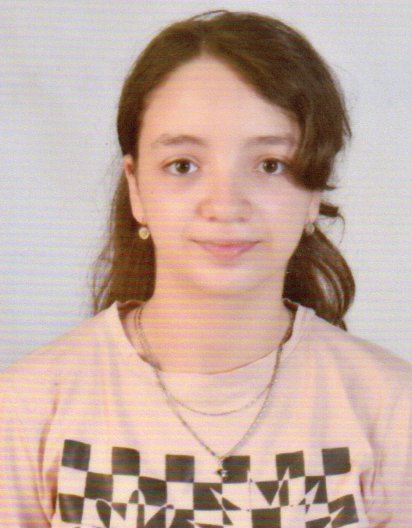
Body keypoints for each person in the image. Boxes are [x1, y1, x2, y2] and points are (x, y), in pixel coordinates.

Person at [1, 10, 411, 528]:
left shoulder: (392, 408)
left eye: (270, 165)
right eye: (184, 165)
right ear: (136, 187)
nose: (225, 205)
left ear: (314, 191)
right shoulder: (27, 407)